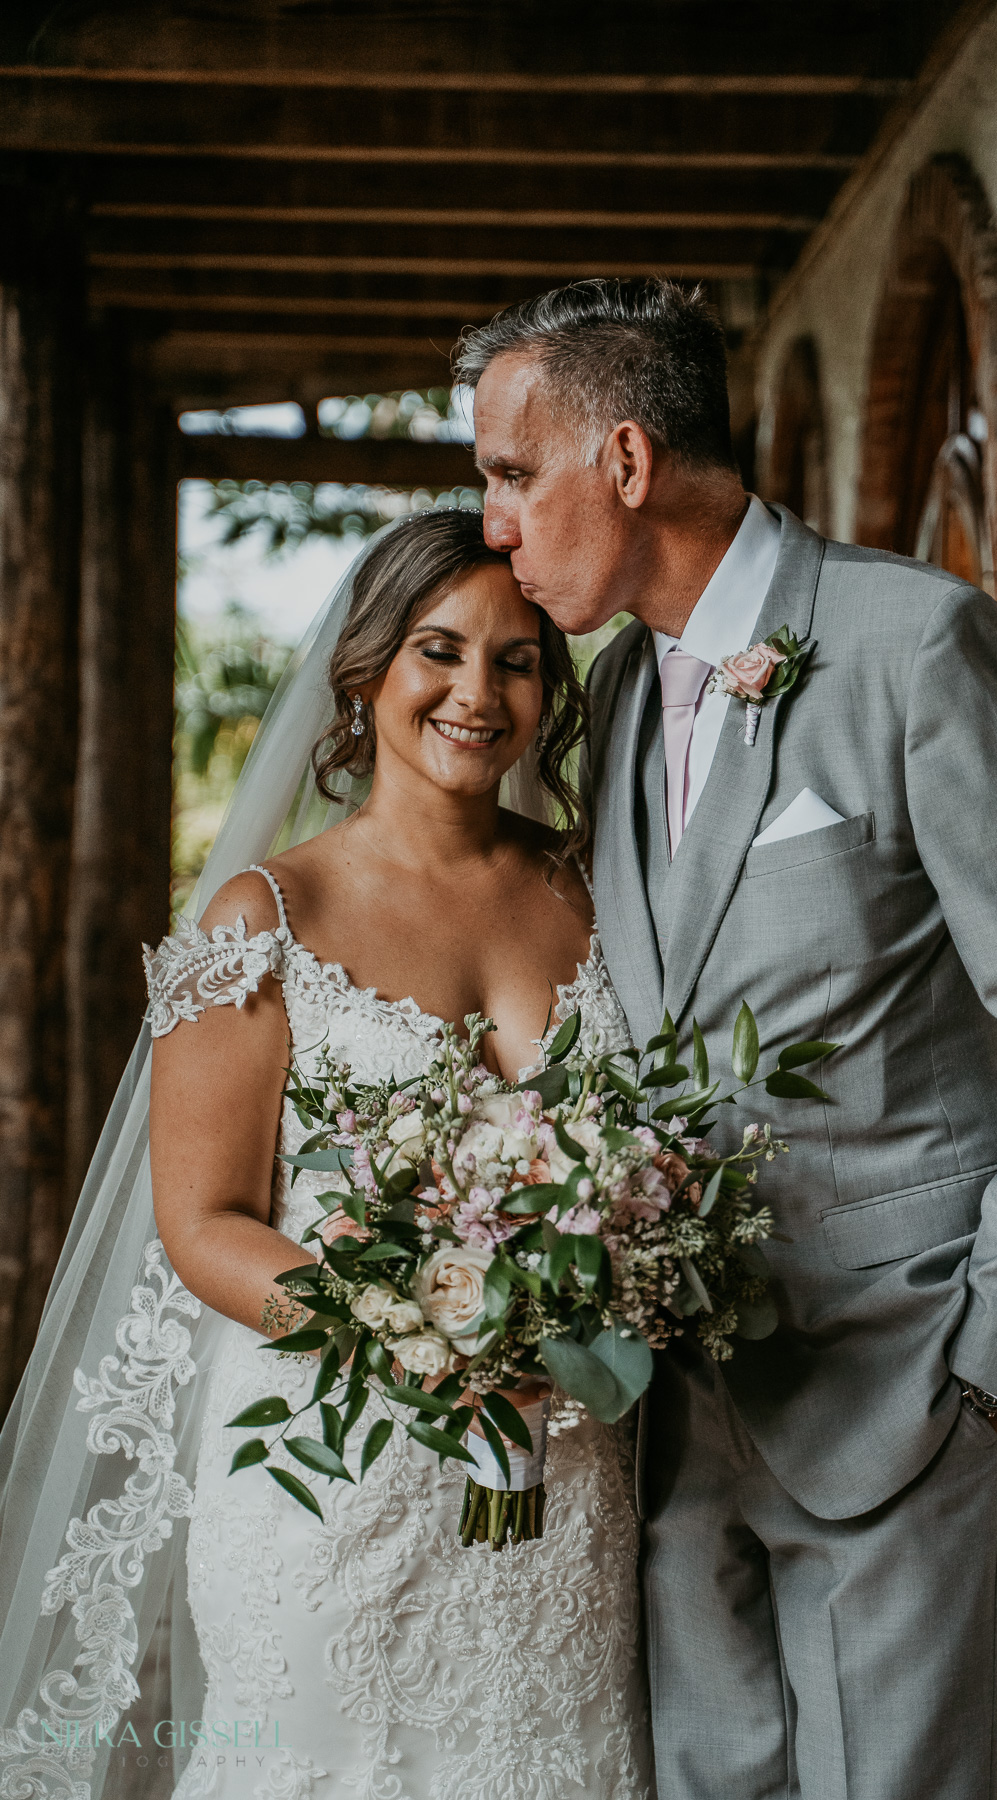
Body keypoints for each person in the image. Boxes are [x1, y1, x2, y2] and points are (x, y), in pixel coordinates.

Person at [454, 277, 997, 1800]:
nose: (496, 526)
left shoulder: (914, 644)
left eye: (513, 474)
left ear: (630, 461)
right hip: (669, 1412)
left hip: (901, 1397)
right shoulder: (618, 699)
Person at [0, 508, 651, 1800]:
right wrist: (418, 1348)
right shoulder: (265, 917)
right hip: (331, 1465)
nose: (478, 692)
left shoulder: (595, 891)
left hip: (561, 1469)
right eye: (439, 650)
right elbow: (209, 1221)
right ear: (365, 671)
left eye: (518, 659)